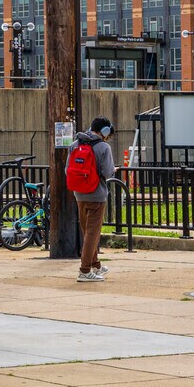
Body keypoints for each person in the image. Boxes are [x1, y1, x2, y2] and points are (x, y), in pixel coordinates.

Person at [65, 117, 120, 281]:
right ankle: (84, 271)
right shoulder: (104, 147)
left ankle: (96, 265)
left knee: (88, 232)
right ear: (105, 131)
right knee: (92, 233)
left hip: (79, 194)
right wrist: (114, 169)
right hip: (97, 195)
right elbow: (108, 172)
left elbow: (68, 170)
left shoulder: (74, 145)